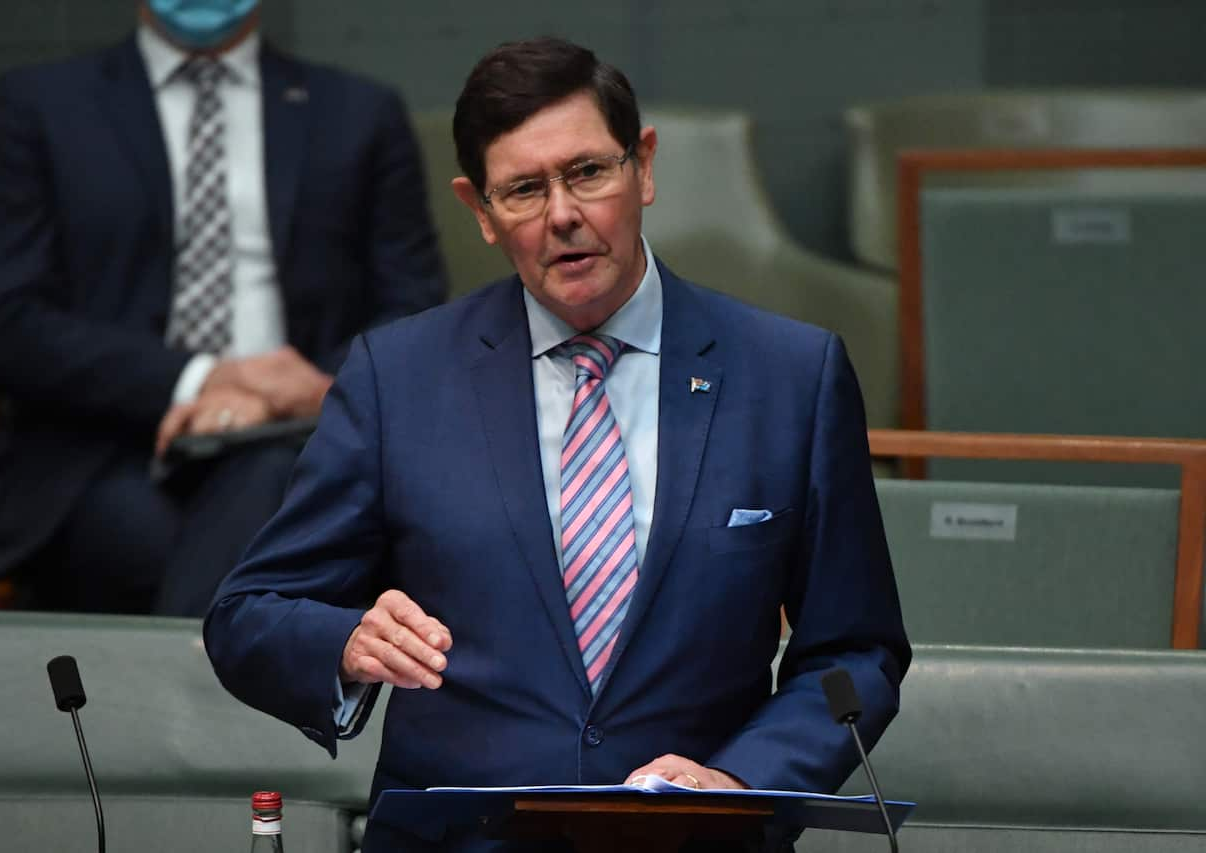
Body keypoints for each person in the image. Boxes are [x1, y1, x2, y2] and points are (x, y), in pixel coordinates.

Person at [204, 37, 909, 852]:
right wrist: (346, 643)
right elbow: (246, 616)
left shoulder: (792, 375)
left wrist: (744, 780)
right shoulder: (396, 378)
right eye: (524, 190)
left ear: (642, 166)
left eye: (587, 173)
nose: (563, 215)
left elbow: (855, 649)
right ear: (481, 211)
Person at [0, 0, 445, 616]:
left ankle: (176, 698)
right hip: (104, 449)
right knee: (201, 533)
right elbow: (5, 324)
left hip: (302, 437)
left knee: (273, 483)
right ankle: (219, 678)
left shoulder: (359, 113)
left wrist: (294, 394)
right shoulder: (38, 105)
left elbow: (411, 305)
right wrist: (208, 380)